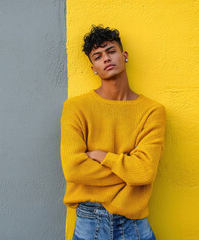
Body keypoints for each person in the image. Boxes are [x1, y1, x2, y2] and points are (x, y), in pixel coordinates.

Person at [60, 25, 166, 240]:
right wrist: (129, 170)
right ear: (93, 68)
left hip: (134, 224)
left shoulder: (152, 111)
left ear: (124, 55)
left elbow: (145, 172)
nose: (106, 59)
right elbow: (73, 170)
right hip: (90, 222)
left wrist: (102, 156)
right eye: (97, 56)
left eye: (111, 51)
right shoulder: (76, 107)